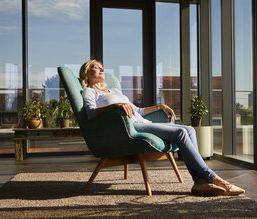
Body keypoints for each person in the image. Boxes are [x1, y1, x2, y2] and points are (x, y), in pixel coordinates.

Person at [79, 59, 245, 196]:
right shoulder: (89, 92)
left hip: (142, 122)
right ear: (87, 73)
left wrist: (160, 106)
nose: (101, 69)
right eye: (95, 67)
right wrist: (116, 106)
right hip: (131, 129)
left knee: (190, 129)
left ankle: (200, 183)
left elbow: (138, 111)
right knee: (180, 132)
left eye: (101, 67)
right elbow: (92, 114)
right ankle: (214, 179)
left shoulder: (113, 89)